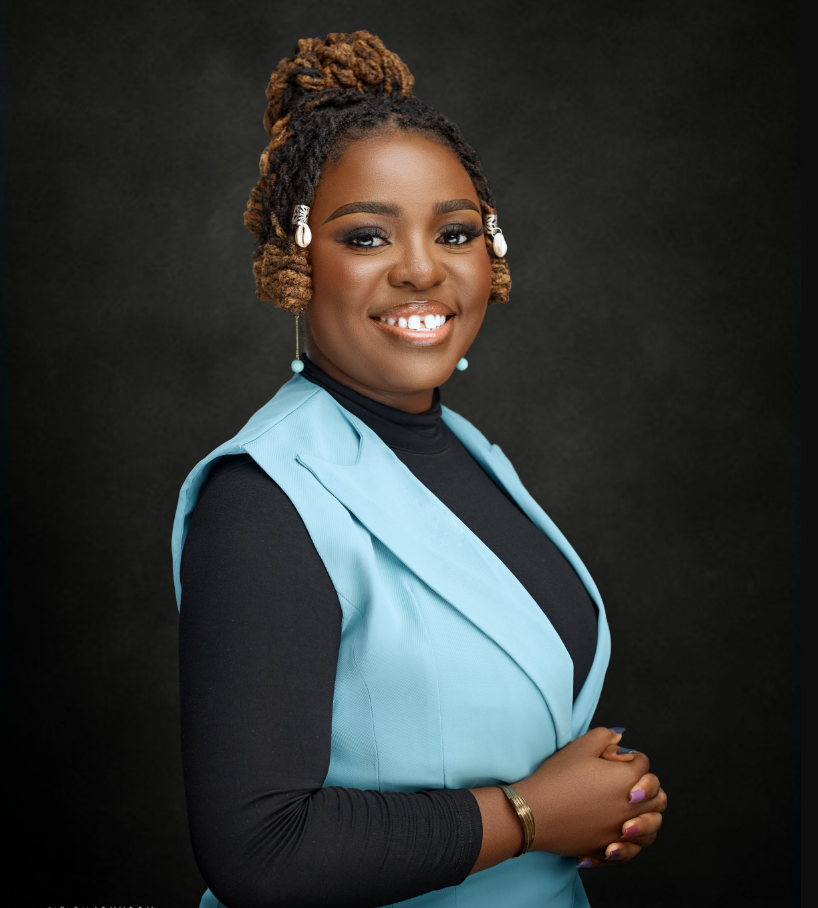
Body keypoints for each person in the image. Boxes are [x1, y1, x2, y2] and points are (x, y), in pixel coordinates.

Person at [171, 31, 667, 908]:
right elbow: (260, 853)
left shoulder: (471, 454)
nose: (421, 271)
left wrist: (602, 807)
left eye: (456, 232)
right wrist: (531, 815)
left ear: (492, 255)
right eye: (367, 236)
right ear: (297, 263)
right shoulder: (262, 499)